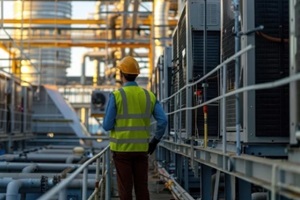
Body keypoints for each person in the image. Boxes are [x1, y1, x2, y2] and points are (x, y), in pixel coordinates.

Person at [102, 56, 168, 200]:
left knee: (125, 189)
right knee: (142, 187)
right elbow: (163, 121)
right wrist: (154, 141)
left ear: (121, 74)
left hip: (121, 150)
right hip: (142, 149)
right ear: (137, 75)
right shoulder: (149, 95)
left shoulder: (117, 95)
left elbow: (106, 126)